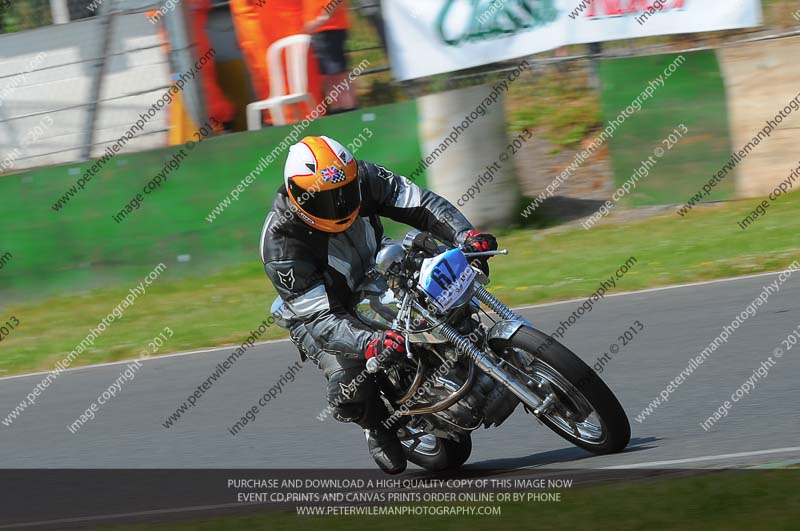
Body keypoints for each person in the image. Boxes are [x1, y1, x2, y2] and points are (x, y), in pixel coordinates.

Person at [259, 136, 497, 474]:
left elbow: (422, 204)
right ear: (299, 197)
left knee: (437, 273)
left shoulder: (364, 178)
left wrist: (465, 236)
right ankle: (376, 425)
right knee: (349, 388)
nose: (340, 205)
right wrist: (372, 344)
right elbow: (320, 320)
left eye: (345, 192)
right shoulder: (281, 244)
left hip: (377, 265)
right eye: (327, 200)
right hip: (323, 310)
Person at [303, 0, 358, 113]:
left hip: (330, 28)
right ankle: (339, 113)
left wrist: (321, 19)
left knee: (338, 75)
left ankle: (350, 112)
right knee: (328, 78)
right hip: (319, 30)